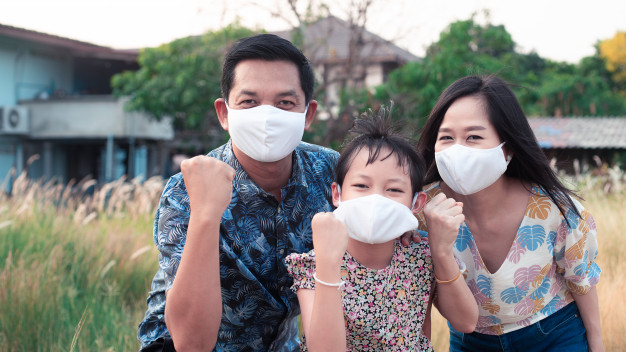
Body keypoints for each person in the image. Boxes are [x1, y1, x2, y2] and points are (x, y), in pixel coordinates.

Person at [137, 34, 340, 351]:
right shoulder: (186, 190)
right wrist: (206, 214)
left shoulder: (331, 173)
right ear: (224, 114)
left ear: (308, 114)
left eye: (285, 103)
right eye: (249, 102)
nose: (267, 116)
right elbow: (191, 343)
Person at [416, 75, 604, 351]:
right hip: (471, 340)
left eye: (473, 137)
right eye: (446, 137)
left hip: (553, 333)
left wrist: (596, 343)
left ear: (508, 149)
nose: (457, 150)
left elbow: (581, 281)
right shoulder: (422, 209)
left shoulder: (556, 210)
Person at [285, 106, 478, 351]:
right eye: (362, 186)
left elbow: (466, 321)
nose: (376, 199)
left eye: (394, 190)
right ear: (337, 193)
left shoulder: (421, 255)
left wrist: (441, 251)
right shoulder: (314, 265)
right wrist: (328, 264)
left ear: (416, 203)